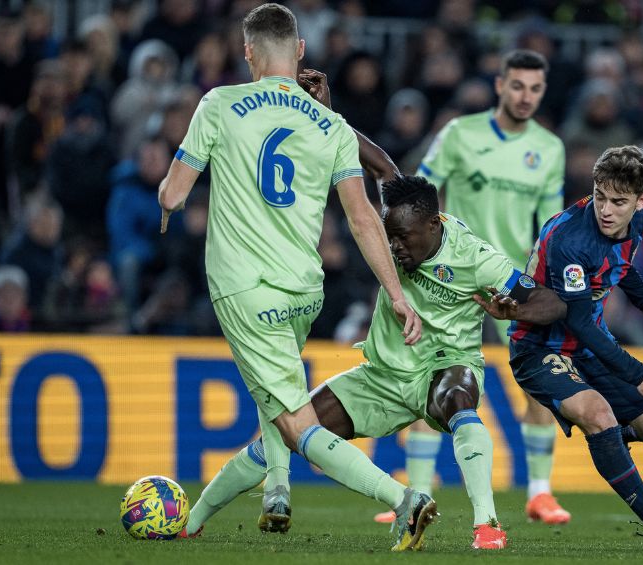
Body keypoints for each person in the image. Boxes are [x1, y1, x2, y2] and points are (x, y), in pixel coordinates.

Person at [156, 4, 431, 551]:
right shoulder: (330, 124)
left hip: (245, 289)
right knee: (273, 399)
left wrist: (170, 203)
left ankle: (404, 500)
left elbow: (173, 192)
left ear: (248, 52)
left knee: (296, 424)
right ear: (300, 51)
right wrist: (396, 295)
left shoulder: (220, 103)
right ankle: (268, 492)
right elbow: (360, 218)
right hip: (304, 291)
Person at [183, 175, 568, 550]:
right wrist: (329, 120)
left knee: (458, 399)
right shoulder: (404, 219)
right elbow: (376, 162)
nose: (395, 247)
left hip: (444, 366)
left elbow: (552, 303)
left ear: (434, 224)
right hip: (380, 376)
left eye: (403, 237)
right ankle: (191, 521)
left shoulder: (478, 259)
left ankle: (487, 526)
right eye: (390, 237)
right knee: (288, 433)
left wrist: (514, 312)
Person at [494, 145, 643, 550]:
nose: (605, 209)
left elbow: (620, 264)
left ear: (641, 202)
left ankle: (608, 439)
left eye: (618, 202)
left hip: (587, 351)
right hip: (540, 349)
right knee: (599, 414)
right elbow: (580, 323)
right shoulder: (570, 238)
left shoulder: (633, 224)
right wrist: (640, 374)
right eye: (600, 197)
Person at [405, 48, 571, 525]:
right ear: (499, 85)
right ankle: (417, 491)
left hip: (511, 281)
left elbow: (551, 225)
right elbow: (421, 189)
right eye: (517, 86)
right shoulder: (460, 134)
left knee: (539, 383)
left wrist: (545, 284)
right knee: (427, 379)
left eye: (535, 89)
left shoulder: (550, 148)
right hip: (451, 276)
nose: (526, 96)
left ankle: (540, 493)